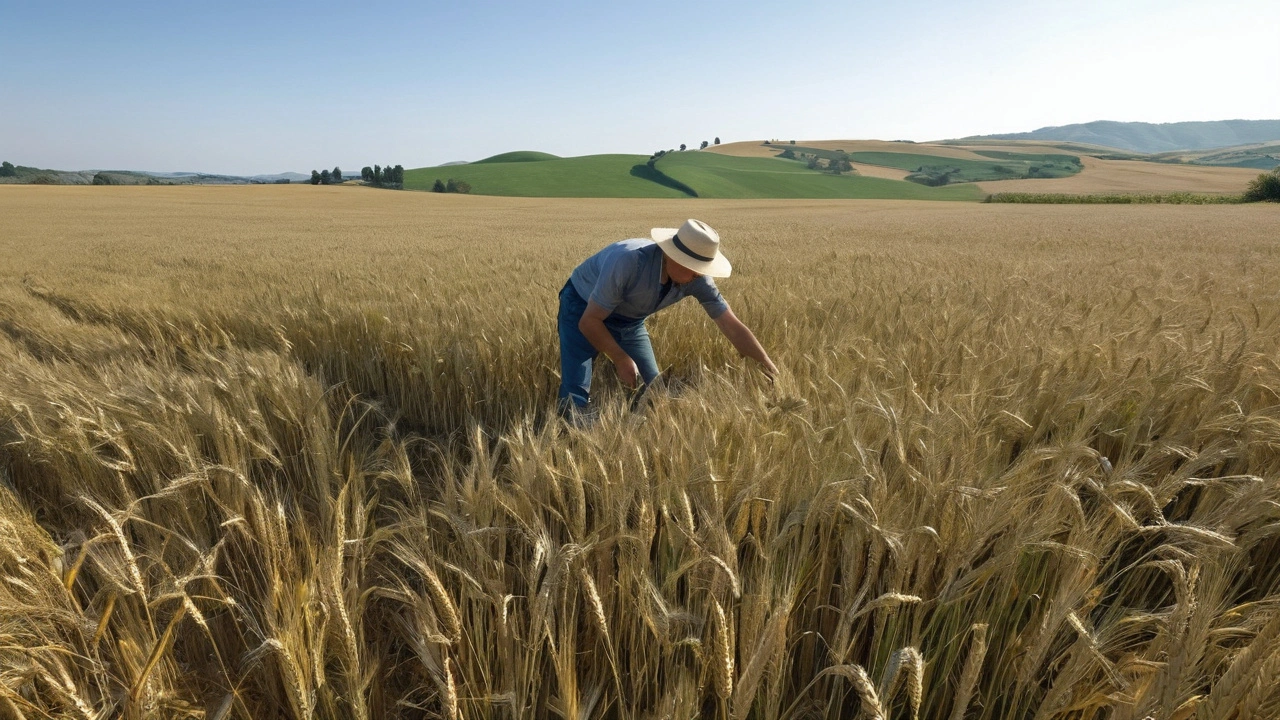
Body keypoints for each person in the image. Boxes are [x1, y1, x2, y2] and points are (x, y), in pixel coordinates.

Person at [557, 218, 778, 417]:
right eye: (694, 269)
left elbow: (732, 326)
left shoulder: (697, 279)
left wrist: (768, 367)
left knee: (654, 392)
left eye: (702, 269)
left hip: (630, 321)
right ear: (673, 255)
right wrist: (620, 357)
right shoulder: (628, 262)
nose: (698, 276)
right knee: (575, 400)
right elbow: (589, 322)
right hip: (582, 305)